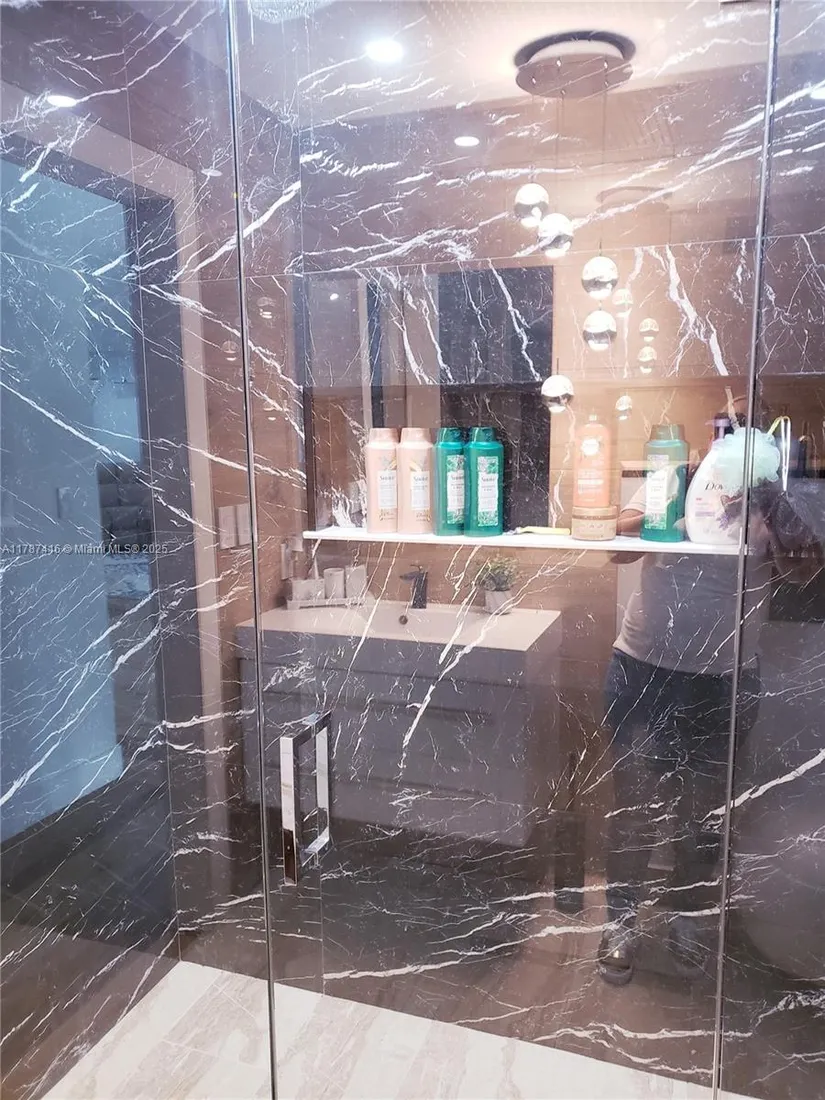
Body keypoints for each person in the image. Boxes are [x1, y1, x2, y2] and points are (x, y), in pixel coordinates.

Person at [598, 405, 778, 985]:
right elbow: (617, 547)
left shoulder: (772, 496)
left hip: (723, 680)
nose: (730, 437)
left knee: (702, 817)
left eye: (746, 428)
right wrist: (669, 509)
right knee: (633, 810)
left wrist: (768, 519)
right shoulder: (673, 474)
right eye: (724, 426)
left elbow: (805, 569)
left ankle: (686, 919)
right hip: (643, 669)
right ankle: (621, 920)